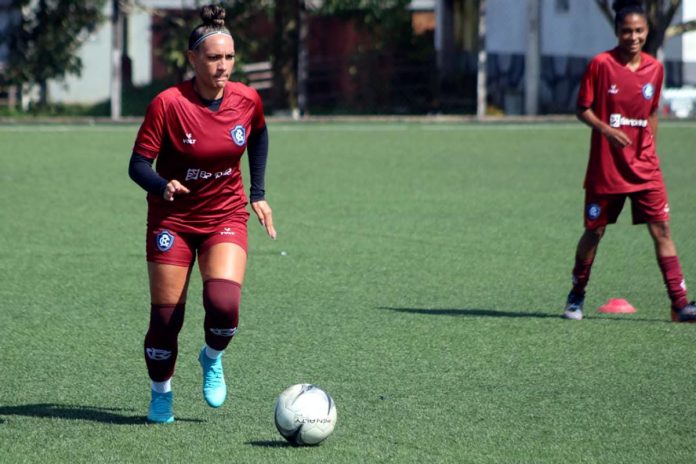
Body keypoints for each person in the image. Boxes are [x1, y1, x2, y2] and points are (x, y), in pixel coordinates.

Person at [128, 4, 276, 423]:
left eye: (229, 57)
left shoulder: (247, 100)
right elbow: (137, 164)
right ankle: (161, 393)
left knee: (224, 303)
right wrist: (162, 184)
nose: (223, 66)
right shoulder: (168, 104)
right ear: (192, 59)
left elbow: (259, 135)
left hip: (224, 214)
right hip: (172, 219)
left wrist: (258, 192)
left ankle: (211, 357)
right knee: (166, 319)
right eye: (214, 58)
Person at [563, 0, 695, 322]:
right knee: (594, 232)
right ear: (617, 32)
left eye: (638, 31)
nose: (633, 37)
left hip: (645, 168)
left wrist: (651, 151)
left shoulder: (655, 69)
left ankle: (680, 305)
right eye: (626, 31)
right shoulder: (600, 65)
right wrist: (606, 130)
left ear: (647, 32)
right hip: (607, 168)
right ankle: (576, 295)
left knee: (662, 229)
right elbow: (583, 109)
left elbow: (651, 114)